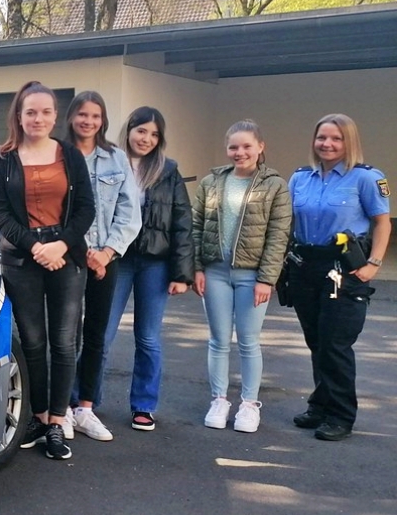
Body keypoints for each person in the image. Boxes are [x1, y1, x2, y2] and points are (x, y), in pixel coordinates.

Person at [0, 81, 95, 460]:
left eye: (46, 111)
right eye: (30, 111)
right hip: (22, 259)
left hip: (65, 257)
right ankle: (36, 416)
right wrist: (35, 247)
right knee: (33, 343)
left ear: (55, 116)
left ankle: (56, 423)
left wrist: (61, 245)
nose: (38, 118)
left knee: (64, 343)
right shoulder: (2, 158)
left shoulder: (69, 154)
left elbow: (85, 208)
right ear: (19, 115)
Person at [287, 114, 389, 441]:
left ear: (349, 142)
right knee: (316, 341)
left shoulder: (366, 178)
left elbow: (382, 223)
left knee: (336, 343)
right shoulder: (300, 178)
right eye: (322, 138)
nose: (327, 144)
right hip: (306, 267)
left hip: (343, 268)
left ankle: (341, 414)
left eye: (336, 139)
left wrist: (373, 263)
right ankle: (320, 404)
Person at [192, 121, 292, 433]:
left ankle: (249, 404)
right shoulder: (211, 182)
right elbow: (196, 227)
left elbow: (279, 236)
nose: (240, 152)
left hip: (252, 277)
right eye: (234, 147)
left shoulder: (276, 186)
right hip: (215, 273)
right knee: (219, 340)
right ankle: (219, 399)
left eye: (247, 146)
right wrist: (196, 267)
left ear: (260, 147)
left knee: (248, 342)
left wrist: (267, 278)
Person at [102, 107, 193, 432]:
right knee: (102, 334)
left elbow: (183, 223)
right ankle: (83, 400)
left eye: (154, 134)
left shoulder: (168, 171)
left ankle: (144, 405)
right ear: (129, 130)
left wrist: (182, 274)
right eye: (142, 131)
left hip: (155, 263)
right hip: (116, 259)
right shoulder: (110, 162)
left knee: (148, 338)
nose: (146, 139)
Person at [62, 91, 141, 442]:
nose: (88, 121)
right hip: (65, 258)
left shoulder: (116, 158)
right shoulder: (57, 154)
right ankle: (60, 408)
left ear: (103, 120)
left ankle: (86, 409)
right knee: (63, 337)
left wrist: (107, 252)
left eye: (95, 115)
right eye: (82, 114)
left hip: (106, 261)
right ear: (71, 117)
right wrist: (82, 250)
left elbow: (130, 211)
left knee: (96, 335)